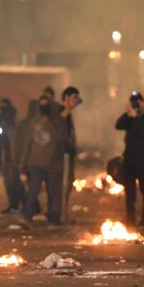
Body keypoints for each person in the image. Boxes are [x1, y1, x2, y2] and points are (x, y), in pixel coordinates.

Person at [19, 95, 68, 224]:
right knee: (32, 193)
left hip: (53, 165)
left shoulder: (58, 121)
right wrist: (23, 164)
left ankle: (53, 220)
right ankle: (27, 218)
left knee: (53, 194)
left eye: (46, 105)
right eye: (42, 105)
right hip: (35, 164)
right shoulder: (34, 122)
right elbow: (27, 144)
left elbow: (61, 138)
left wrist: (49, 124)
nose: (44, 107)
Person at [115, 91, 144, 226]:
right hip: (130, 159)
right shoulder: (130, 118)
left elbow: (143, 130)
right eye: (134, 102)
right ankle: (130, 217)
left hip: (143, 159)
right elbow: (118, 125)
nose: (136, 104)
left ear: (143, 102)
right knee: (129, 191)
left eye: (138, 101)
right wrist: (128, 113)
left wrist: (138, 114)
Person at [0, 98, 25, 214]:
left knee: (16, 184)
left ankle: (29, 205)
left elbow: (17, 141)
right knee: (9, 184)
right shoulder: (2, 122)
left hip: (14, 158)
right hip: (6, 158)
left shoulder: (15, 123)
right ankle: (13, 205)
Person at [59, 86, 82, 220]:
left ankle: (63, 213)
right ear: (66, 98)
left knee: (69, 183)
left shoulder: (68, 114)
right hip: (64, 154)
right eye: (74, 98)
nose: (77, 102)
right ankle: (61, 215)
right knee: (64, 184)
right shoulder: (61, 112)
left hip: (69, 154)